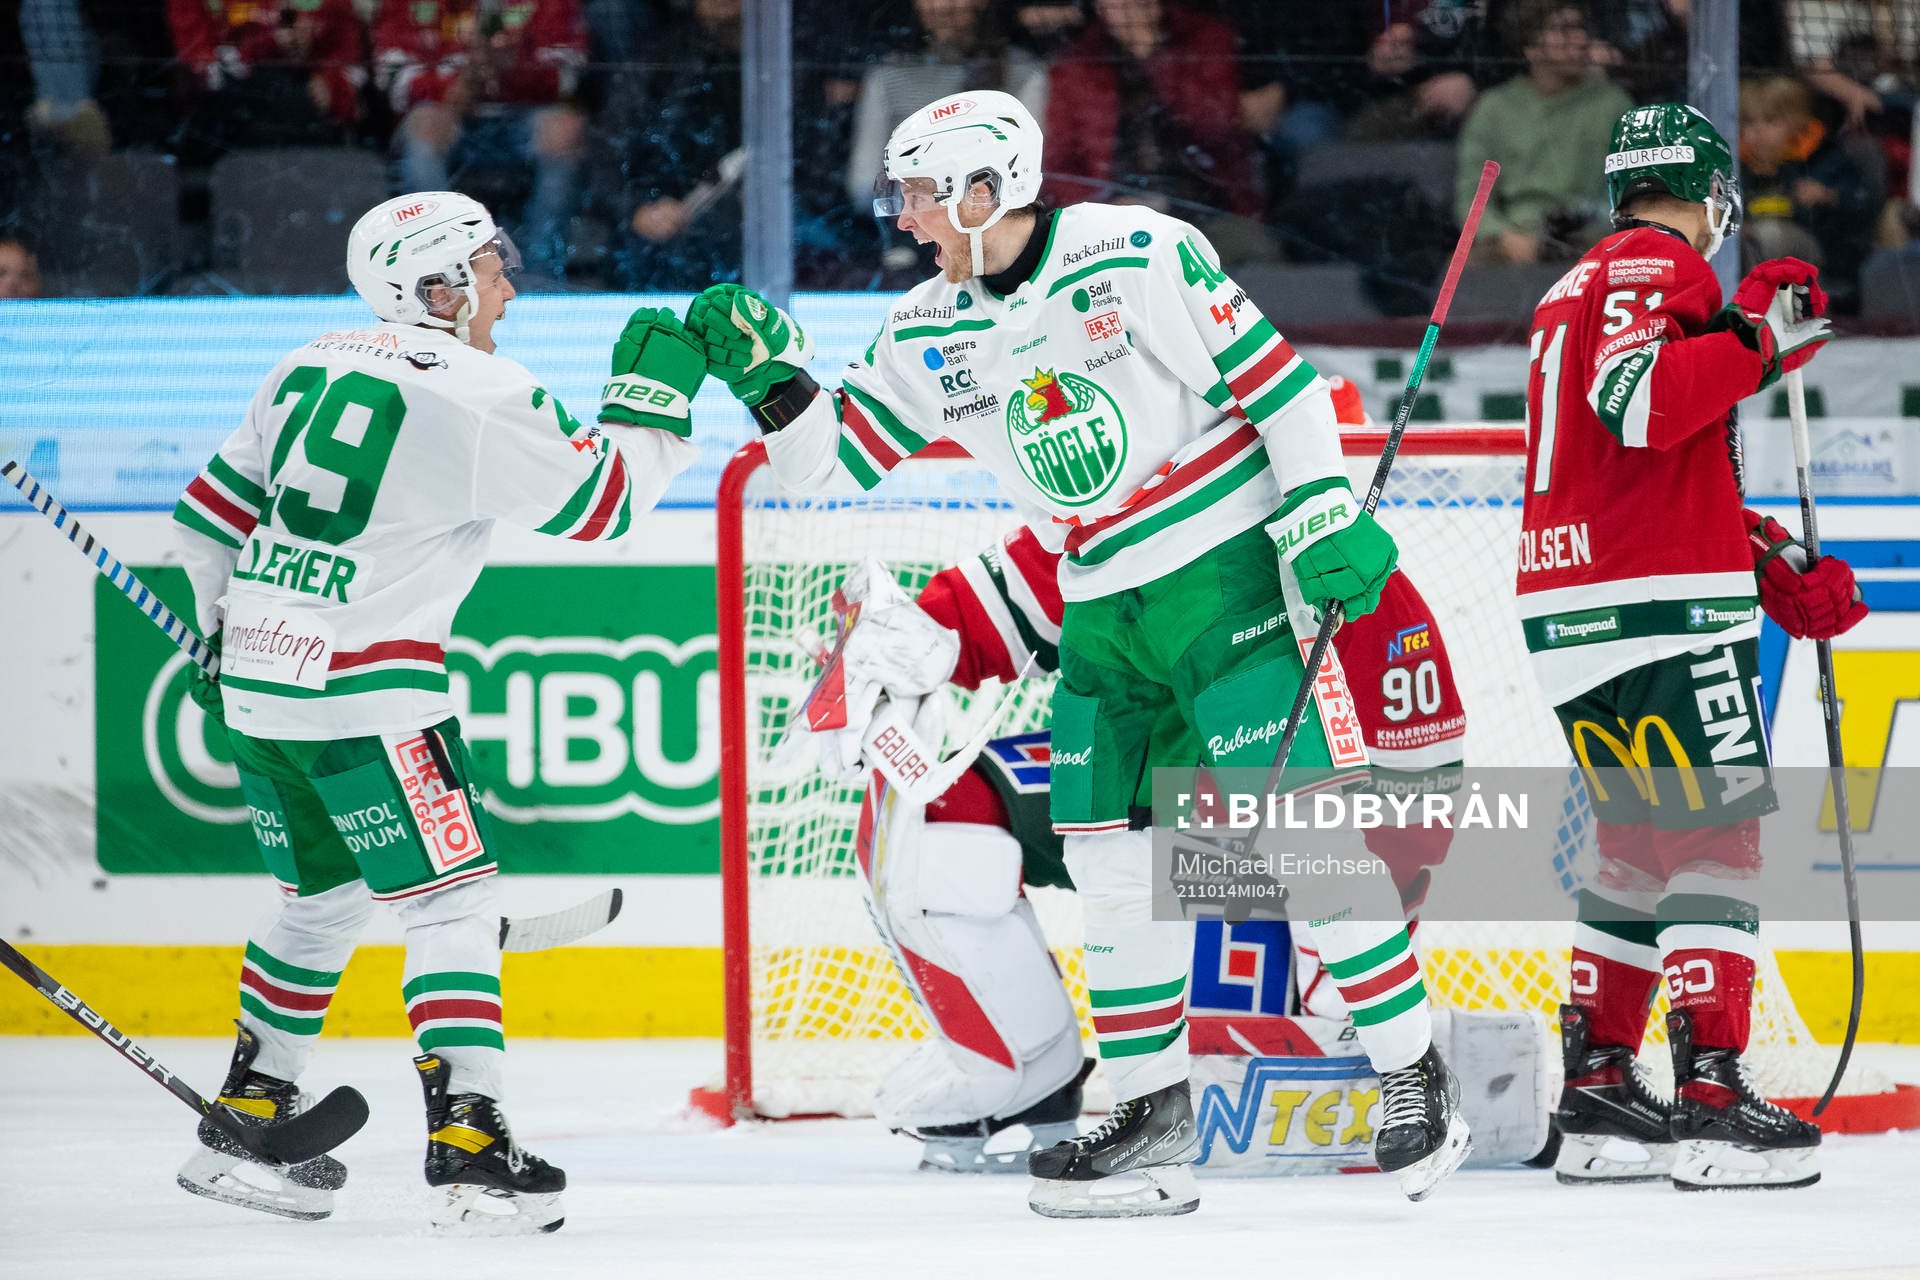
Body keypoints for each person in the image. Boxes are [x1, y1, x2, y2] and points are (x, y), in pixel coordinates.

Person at [685, 88, 1471, 1217]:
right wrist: (771, 383)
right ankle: (1152, 1111)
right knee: (1110, 862)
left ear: (981, 187)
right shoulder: (926, 325)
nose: (901, 216)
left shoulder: (1140, 253)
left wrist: (1325, 516)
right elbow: (830, 464)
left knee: (1304, 834)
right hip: (1098, 597)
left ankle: (1413, 1069)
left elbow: (1282, 388)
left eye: (916, 192)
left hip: (1223, 569)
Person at [167, 191, 706, 1230]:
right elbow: (608, 508)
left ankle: (248, 1110)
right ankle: (470, 1145)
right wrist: (655, 399)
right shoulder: (479, 386)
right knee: (450, 905)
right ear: (436, 287)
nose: (507, 281)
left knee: (317, 904)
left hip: (259, 693)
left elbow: (205, 523)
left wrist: (212, 631)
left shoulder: (308, 359)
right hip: (372, 698)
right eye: (488, 264)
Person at [798, 524, 1467, 1174]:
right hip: (1166, 805)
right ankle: (1027, 1074)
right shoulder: (1122, 503)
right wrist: (891, 648)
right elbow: (984, 611)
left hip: (1284, 838)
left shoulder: (1310, 534)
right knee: (940, 805)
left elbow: (1416, 795)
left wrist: (1348, 976)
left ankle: (1389, 1053)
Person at [1518, 103, 1867, 1190]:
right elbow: (1641, 408)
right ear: (1709, 191)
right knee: (1714, 843)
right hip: (1660, 609)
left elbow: (1639, 468)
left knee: (1634, 843)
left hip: (1577, 605)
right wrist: (1757, 334)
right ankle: (1714, 1093)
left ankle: (1603, 1090)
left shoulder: (1570, 285)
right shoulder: (1659, 267)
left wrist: (1760, 555)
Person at [373, 0, 588, 278]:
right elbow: (391, 74)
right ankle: (445, 271)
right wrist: (450, 87)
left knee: (564, 130)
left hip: (524, 110)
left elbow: (569, 73)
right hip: (444, 113)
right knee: (423, 128)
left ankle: (540, 275)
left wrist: (512, 69)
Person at [1456, 2, 1632, 264]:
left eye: (1582, 29)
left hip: (1592, 238)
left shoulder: (1615, 105)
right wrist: (1505, 236)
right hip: (1514, 237)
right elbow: (1470, 196)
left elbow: (1633, 189)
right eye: (1564, 30)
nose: (1581, 39)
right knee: (1463, 271)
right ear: (1530, 48)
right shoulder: (1495, 108)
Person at [1739, 75, 1878, 310]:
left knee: (1768, 236)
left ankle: (1792, 315)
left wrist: (1829, 196)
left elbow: (1865, 205)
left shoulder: (1825, 159)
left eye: (1771, 121)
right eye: (1749, 123)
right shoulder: (1737, 167)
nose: (1758, 131)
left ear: (1797, 122)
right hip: (1754, 252)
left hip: (1819, 256)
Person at [168, 0, 366, 153]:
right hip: (237, 114)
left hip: (308, 115)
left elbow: (345, 52)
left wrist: (331, 84)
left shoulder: (334, 7)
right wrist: (270, 43)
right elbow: (199, 63)